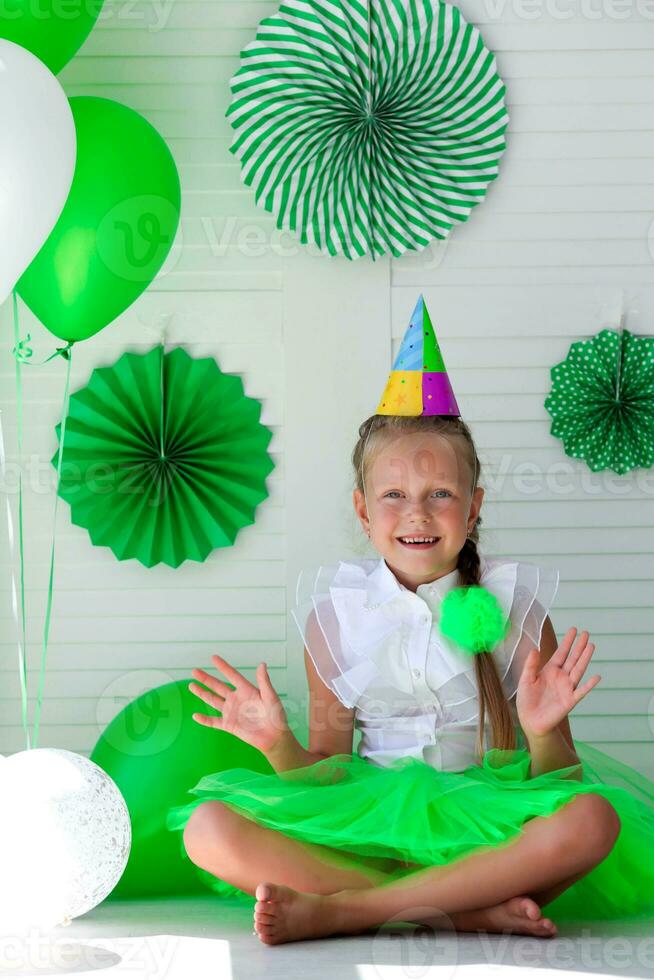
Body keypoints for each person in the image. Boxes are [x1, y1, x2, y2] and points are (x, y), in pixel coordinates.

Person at [166, 296, 654, 946]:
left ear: (474, 506)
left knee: (592, 819)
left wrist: (542, 731)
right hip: (368, 829)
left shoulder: (517, 612)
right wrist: (275, 745)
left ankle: (351, 912)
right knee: (208, 829)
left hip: (487, 834)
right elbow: (329, 772)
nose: (416, 515)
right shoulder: (334, 617)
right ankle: (463, 912)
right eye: (393, 496)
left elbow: (558, 781)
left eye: (440, 496)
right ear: (363, 512)